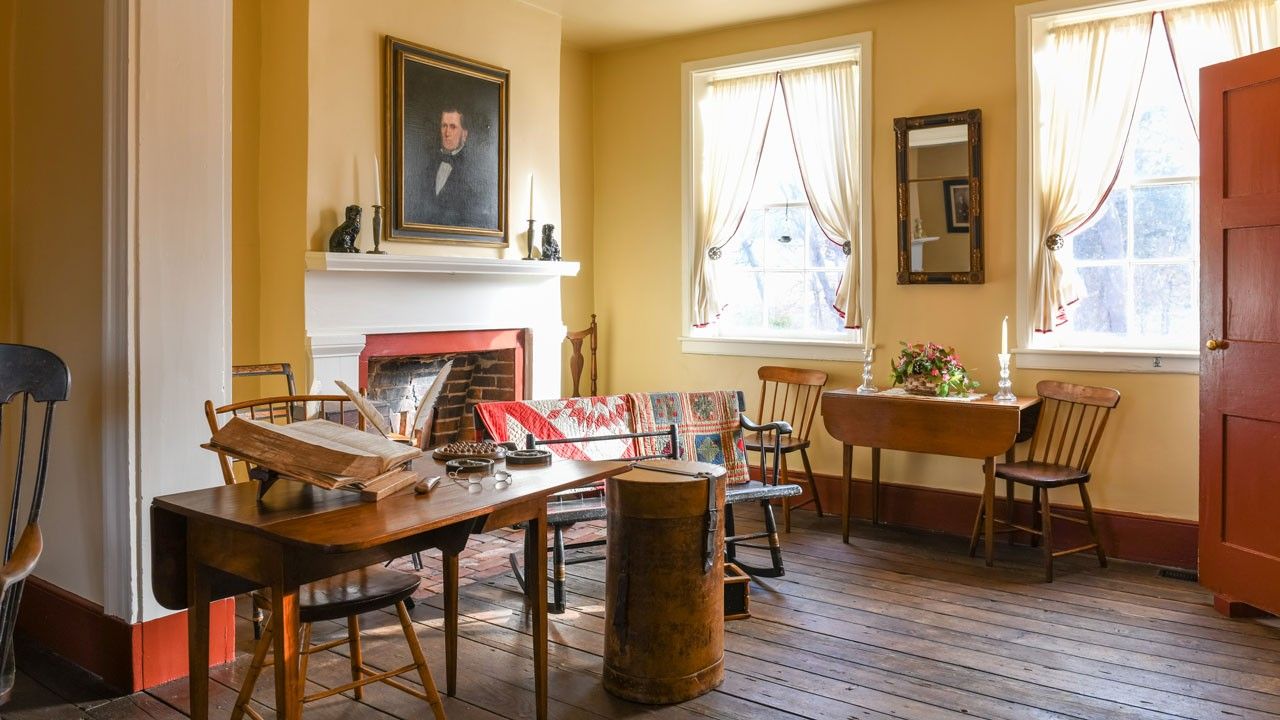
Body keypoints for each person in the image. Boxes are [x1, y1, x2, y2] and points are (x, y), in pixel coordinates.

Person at [415, 107, 486, 228]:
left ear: (464, 134)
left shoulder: (474, 172)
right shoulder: (428, 165)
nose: (447, 133)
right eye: (444, 126)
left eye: (453, 127)